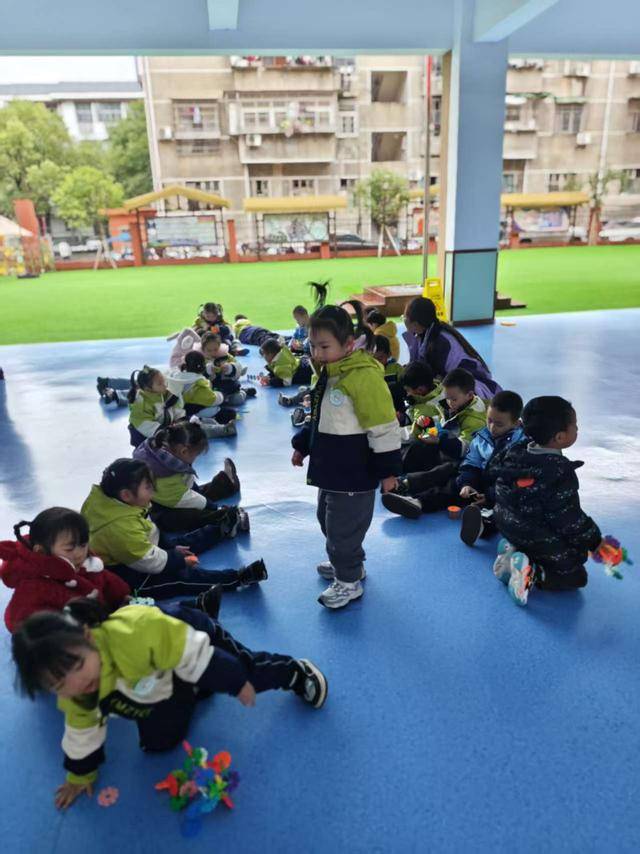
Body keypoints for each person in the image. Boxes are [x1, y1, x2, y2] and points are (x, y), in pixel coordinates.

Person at [11, 598, 328, 810]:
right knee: (158, 743)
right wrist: (80, 776)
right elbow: (81, 730)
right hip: (156, 680)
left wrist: (234, 682)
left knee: (243, 674)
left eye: (78, 666)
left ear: (89, 636)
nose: (77, 685)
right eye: (58, 685)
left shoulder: (137, 633)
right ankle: (192, 687)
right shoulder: (77, 692)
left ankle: (294, 673)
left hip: (187, 636)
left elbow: (197, 656)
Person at [291, 296, 401, 609]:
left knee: (342, 531)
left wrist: (388, 472)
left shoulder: (362, 377)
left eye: (324, 346)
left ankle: (349, 581)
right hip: (331, 470)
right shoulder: (330, 371)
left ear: (349, 343)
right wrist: (302, 445)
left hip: (354, 473)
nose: (316, 353)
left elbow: (383, 426)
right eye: (313, 346)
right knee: (328, 522)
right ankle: (349, 563)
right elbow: (319, 417)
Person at [0, 508, 224, 632]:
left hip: (105, 613)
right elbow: (21, 623)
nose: (80, 552)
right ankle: (192, 615)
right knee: (147, 626)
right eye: (70, 548)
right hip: (81, 639)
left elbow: (105, 579)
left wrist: (121, 595)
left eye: (83, 544)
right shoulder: (33, 585)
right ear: (41, 551)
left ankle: (194, 608)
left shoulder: (83, 563)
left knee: (147, 609)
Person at [81, 459, 267, 600]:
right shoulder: (118, 528)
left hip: (137, 551)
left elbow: (148, 529)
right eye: (148, 487)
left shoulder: (114, 502)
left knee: (181, 544)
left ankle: (222, 528)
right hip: (128, 575)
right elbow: (149, 561)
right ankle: (237, 578)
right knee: (182, 578)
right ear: (126, 495)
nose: (153, 491)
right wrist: (177, 560)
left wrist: (171, 549)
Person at [487, 396, 603, 606]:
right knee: (576, 575)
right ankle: (530, 572)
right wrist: (594, 540)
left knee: (537, 528)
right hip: (534, 534)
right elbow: (568, 518)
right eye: (575, 425)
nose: (577, 429)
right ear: (560, 437)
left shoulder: (516, 450)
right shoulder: (558, 472)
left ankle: (512, 554)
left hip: (506, 524)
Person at [382, 391, 525, 523]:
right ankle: (407, 486)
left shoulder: (520, 447)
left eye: (499, 424)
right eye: (489, 420)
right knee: (449, 471)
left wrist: (489, 495)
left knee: (451, 489)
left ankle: (419, 502)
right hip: (477, 478)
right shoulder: (483, 435)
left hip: (497, 490)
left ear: (516, 423)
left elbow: (512, 482)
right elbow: (471, 462)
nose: (492, 427)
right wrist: (467, 483)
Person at [133, 422, 244, 533]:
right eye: (196, 455)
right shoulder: (163, 475)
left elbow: (188, 489)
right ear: (184, 451)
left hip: (164, 500)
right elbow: (186, 498)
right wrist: (212, 506)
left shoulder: (161, 453)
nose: (195, 459)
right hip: (156, 513)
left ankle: (227, 483)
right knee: (189, 515)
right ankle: (224, 518)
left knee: (195, 494)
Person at [403, 297, 501, 399]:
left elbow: (433, 378)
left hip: (472, 388)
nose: (403, 320)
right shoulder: (426, 333)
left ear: (416, 324)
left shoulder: (439, 342)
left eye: (404, 318)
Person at [401, 367, 487, 474]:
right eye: (447, 398)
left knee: (419, 454)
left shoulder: (475, 420)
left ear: (469, 395)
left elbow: (465, 449)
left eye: (453, 399)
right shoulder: (454, 405)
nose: (449, 402)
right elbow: (441, 424)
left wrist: (439, 440)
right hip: (443, 450)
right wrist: (426, 422)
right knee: (413, 450)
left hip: (458, 464)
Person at [166, 350, 238, 438]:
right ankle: (221, 429)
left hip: (179, 412)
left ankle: (209, 424)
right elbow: (211, 399)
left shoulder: (177, 376)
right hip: (195, 411)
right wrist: (222, 395)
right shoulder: (198, 383)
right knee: (229, 413)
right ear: (202, 367)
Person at [128, 366, 185, 448]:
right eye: (160, 383)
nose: (165, 385)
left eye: (164, 381)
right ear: (148, 388)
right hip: (144, 434)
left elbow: (176, 407)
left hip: (162, 426)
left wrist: (180, 421)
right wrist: (164, 434)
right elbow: (145, 424)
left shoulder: (165, 392)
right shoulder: (141, 404)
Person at [201, 332, 255, 407]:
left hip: (229, 387)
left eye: (215, 349)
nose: (213, 353)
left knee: (237, 399)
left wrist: (230, 368)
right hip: (211, 390)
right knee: (208, 402)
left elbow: (238, 367)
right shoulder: (201, 360)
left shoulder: (226, 356)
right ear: (203, 349)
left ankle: (244, 392)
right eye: (209, 350)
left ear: (219, 346)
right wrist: (207, 370)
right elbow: (196, 375)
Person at [373, 335, 405, 413]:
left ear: (389, 354)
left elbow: (405, 387)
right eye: (373, 359)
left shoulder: (396, 368)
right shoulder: (370, 372)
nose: (377, 362)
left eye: (380, 358)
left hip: (397, 409)